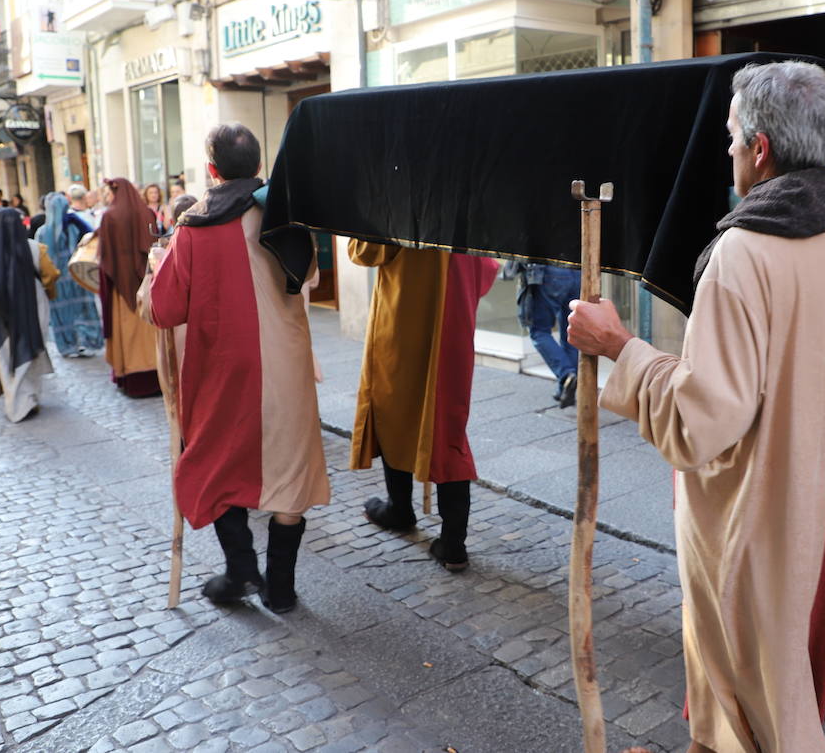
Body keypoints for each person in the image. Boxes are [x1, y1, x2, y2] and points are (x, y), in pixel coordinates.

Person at [567, 61, 825, 753]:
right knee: (775, 696)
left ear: (761, 149)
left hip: (753, 526)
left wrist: (620, 346)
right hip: (820, 512)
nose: (729, 151)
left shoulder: (744, 252)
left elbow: (702, 421)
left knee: (759, 713)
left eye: (732, 137)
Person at [142, 123, 330, 613]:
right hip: (286, 367)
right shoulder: (285, 214)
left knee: (215, 465)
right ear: (258, 165)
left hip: (221, 371)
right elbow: (309, 273)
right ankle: (281, 589)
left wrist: (159, 260)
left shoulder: (191, 230)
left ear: (211, 170)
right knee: (291, 472)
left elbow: (162, 310)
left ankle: (242, 569)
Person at [350, 240, 498, 572]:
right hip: (453, 326)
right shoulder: (464, 203)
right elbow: (487, 271)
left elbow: (365, 252)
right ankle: (451, 540)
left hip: (403, 324)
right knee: (447, 424)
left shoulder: (399, 198)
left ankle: (401, 510)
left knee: (393, 414)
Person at [0, 207, 57, 422]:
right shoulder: (34, 248)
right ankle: (28, 398)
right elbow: (50, 274)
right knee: (31, 348)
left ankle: (15, 400)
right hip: (32, 305)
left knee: (4, 355)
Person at [95, 178, 160, 397]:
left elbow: (104, 257)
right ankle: (156, 377)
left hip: (121, 284)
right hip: (145, 283)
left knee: (128, 331)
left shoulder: (109, 217)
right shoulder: (147, 213)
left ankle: (132, 377)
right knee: (148, 332)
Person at [36, 192, 103, 357]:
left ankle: (69, 344)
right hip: (74, 277)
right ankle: (84, 341)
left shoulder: (46, 231)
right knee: (80, 310)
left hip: (61, 279)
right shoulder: (74, 225)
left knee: (64, 313)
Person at [515, 262, 581, 407]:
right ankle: (564, 388)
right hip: (577, 271)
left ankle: (566, 375)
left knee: (538, 331)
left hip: (550, 269)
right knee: (570, 332)